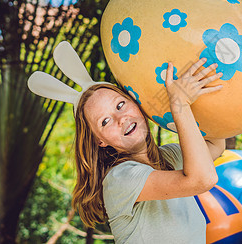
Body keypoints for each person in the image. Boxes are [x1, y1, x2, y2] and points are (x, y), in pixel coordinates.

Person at [27, 42, 225, 243]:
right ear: (99, 141)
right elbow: (202, 179)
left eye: (120, 105)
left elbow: (216, 144)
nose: (120, 119)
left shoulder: (169, 157)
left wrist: (199, 95)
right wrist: (179, 103)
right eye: (105, 121)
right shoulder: (120, 179)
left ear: (136, 103)